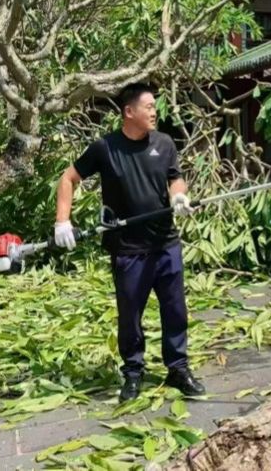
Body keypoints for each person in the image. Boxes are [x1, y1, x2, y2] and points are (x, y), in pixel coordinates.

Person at [54, 83, 205, 403]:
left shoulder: (164, 143)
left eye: (155, 106)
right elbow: (68, 178)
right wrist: (62, 220)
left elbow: (174, 176)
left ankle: (178, 368)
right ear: (129, 112)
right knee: (130, 315)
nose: (154, 112)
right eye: (149, 106)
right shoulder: (105, 148)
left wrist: (179, 194)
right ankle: (133, 373)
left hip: (166, 243)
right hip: (128, 249)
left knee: (175, 310)